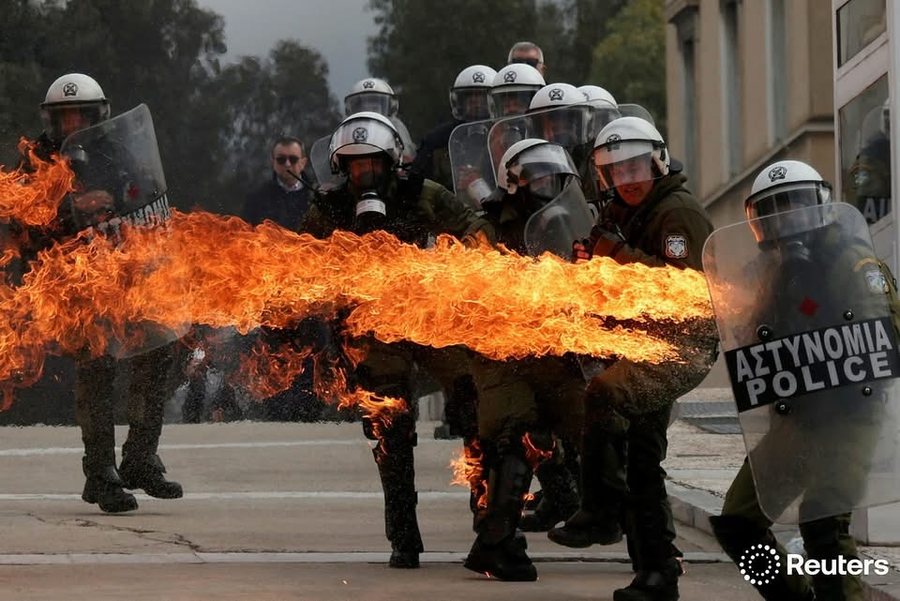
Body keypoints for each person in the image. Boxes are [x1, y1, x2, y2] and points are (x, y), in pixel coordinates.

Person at [299, 111, 494, 569]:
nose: (363, 173)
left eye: (372, 164)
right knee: (390, 424)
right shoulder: (327, 208)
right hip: (371, 326)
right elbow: (298, 260)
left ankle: (488, 517)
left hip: (429, 315)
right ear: (340, 168)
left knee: (473, 397)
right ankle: (404, 536)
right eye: (354, 165)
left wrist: (453, 260)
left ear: (391, 162)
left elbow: (474, 228)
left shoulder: (421, 194)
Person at [707, 160, 897, 601]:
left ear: (820, 206)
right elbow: (754, 338)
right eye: (774, 210)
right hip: (795, 418)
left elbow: (877, 341)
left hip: (850, 415)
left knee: (824, 524)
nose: (786, 219)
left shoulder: (851, 262)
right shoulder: (766, 273)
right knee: (738, 522)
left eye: (795, 206)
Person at [547, 116, 717, 601]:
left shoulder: (678, 213)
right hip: (639, 343)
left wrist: (616, 256)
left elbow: (687, 290)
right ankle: (656, 573)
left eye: (636, 167)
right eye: (616, 173)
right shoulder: (617, 213)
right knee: (641, 459)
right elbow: (607, 266)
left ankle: (599, 511)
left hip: (682, 344)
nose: (629, 180)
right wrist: (589, 262)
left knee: (606, 393)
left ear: (657, 161)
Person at [21, 73, 185, 513]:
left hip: (126, 275)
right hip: (72, 285)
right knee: (97, 370)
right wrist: (70, 210)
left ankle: (140, 458)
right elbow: (22, 227)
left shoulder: (118, 152)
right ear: (50, 121)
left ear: (100, 116)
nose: (73, 124)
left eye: (82, 115)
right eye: (65, 117)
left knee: (164, 350)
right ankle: (100, 474)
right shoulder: (35, 161)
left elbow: (148, 197)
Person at [463, 138, 589, 581]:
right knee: (518, 432)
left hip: (554, 347)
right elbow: (472, 287)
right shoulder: (486, 229)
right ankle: (497, 542)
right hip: (499, 350)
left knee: (601, 422)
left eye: (551, 176)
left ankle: (630, 526)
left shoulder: (573, 221)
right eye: (535, 177)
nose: (544, 184)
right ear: (513, 183)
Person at [411, 64, 497, 191]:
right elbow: (418, 183)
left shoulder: (504, 136)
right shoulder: (438, 140)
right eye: (469, 97)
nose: (476, 102)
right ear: (459, 101)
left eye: (482, 96)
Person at [243, 136, 313, 229]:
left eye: (293, 159)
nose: (287, 164)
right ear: (273, 162)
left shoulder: (317, 197)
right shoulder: (257, 198)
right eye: (281, 160)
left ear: (303, 163)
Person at [344, 78, 416, 163]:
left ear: (391, 106)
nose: (370, 108)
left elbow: (407, 157)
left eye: (375, 103)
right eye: (363, 105)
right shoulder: (347, 129)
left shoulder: (396, 126)